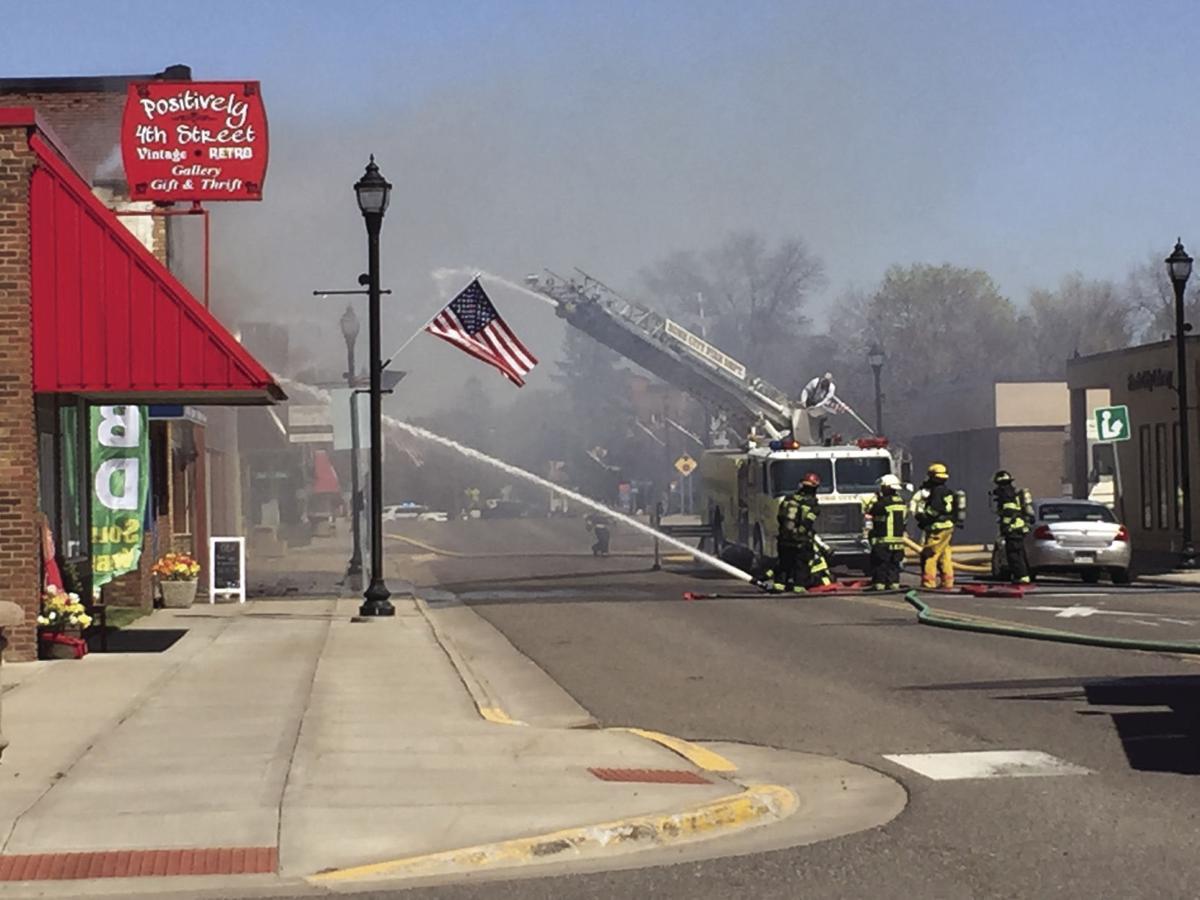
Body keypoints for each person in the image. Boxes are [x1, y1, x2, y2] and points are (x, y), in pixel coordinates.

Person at [770, 472, 831, 592]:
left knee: (784, 563)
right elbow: (808, 523)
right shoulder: (812, 504)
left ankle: (779, 585)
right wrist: (801, 533)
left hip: (784, 539)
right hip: (801, 541)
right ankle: (798, 587)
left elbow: (780, 517)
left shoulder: (788, 499)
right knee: (801, 564)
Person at [912, 462, 956, 589]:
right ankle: (947, 582)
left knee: (930, 554)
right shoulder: (947, 491)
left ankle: (928, 582)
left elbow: (935, 510)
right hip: (948, 527)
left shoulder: (937, 491)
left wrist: (923, 518)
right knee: (944, 555)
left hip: (937, 528)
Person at [864, 474, 907, 590]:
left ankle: (879, 585)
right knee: (894, 565)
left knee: (881, 564)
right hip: (898, 542)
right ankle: (894, 584)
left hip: (883, 541)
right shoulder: (902, 502)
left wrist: (877, 499)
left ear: (887, 488)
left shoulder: (883, 503)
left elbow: (871, 511)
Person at [992, 470, 1031, 584]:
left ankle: (1021, 576)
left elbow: (1009, 511)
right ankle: (1023, 575)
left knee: (1013, 554)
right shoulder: (1013, 492)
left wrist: (1005, 526)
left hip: (1013, 527)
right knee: (1019, 552)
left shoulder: (1006, 493)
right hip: (1019, 526)